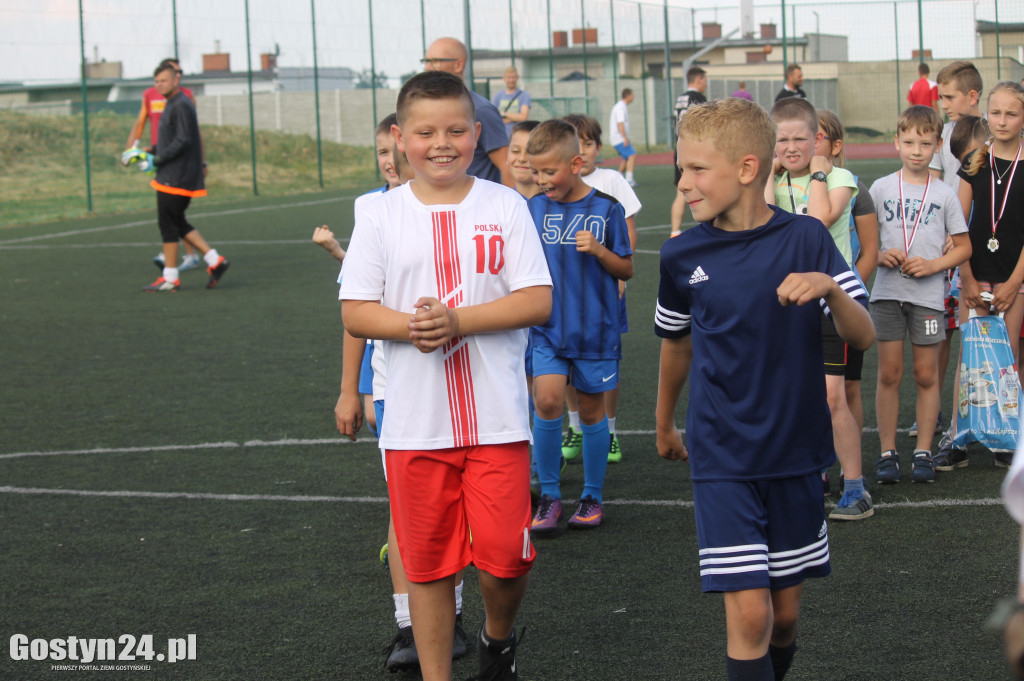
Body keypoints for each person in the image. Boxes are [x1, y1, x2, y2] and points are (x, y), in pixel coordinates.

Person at [339, 70, 552, 681]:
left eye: (456, 130)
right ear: (401, 139)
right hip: (414, 425)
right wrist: (414, 327)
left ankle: (497, 639)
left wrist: (456, 320)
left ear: (476, 133)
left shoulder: (505, 204)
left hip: (497, 419)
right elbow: (355, 309)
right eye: (425, 131)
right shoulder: (379, 215)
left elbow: (537, 300)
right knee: (429, 566)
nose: (442, 142)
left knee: (506, 561)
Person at [656, 97, 874, 681]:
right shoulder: (682, 254)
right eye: (683, 168)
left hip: (797, 452)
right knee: (750, 617)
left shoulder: (806, 238)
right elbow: (675, 344)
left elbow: (865, 333)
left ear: (748, 169)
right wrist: (663, 422)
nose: (685, 183)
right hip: (722, 451)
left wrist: (830, 288)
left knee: (782, 616)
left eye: (698, 169)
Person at [526, 119, 633, 532]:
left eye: (549, 172)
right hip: (549, 327)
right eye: (535, 172)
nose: (541, 180)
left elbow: (627, 267)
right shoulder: (533, 207)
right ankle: (550, 496)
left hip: (595, 329)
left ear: (576, 163)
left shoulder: (607, 208)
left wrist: (601, 251)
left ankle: (591, 496)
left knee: (590, 411)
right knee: (548, 401)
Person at [767, 97, 869, 518]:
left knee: (834, 395)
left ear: (818, 140)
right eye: (782, 140)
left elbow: (818, 219)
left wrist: (820, 173)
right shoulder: (771, 181)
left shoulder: (839, 174)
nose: (791, 147)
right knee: (800, 393)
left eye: (801, 139)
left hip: (834, 296)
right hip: (790, 298)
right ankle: (817, 470)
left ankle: (856, 487)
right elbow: (763, 218)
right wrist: (768, 179)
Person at [870, 105, 971, 485]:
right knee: (889, 373)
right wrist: (880, 256)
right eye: (909, 141)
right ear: (896, 142)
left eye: (925, 143)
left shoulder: (944, 194)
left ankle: (924, 450)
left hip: (928, 295)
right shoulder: (880, 188)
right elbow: (863, 245)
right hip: (887, 293)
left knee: (927, 374)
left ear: (937, 146)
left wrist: (933, 265)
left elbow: (963, 248)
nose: (916, 150)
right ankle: (886, 453)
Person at [560, 113, 640, 464]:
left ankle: (609, 430)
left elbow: (628, 233)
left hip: (603, 293)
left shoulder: (612, 181)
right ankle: (576, 425)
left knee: (606, 361)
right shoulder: (557, 186)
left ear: (598, 147)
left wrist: (620, 277)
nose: (583, 151)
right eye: (575, 144)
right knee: (564, 361)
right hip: (565, 295)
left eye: (588, 143)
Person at [953, 80, 1024, 470]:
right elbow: (957, 225)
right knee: (969, 358)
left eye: (1011, 113)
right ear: (986, 115)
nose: (1002, 120)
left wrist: (1013, 285)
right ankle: (959, 435)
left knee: (1006, 358)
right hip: (974, 275)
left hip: (1016, 277)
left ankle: (1005, 437)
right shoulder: (975, 162)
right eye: (995, 113)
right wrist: (965, 278)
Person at [816, 109, 879, 499]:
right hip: (797, 305)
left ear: (835, 146)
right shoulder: (780, 182)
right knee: (813, 391)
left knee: (847, 390)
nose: (803, 144)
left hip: (839, 303)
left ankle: (850, 473)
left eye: (816, 136)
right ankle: (820, 466)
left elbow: (870, 251)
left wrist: (848, 295)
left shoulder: (852, 186)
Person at [124, 61, 228, 292]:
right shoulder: (173, 103)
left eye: (164, 80)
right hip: (174, 173)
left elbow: (183, 140)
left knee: (168, 223)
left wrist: (158, 160)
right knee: (176, 221)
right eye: (157, 81)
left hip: (177, 175)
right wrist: (145, 152)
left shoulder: (180, 104)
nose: (159, 85)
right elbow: (171, 140)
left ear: (175, 80)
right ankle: (214, 261)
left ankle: (171, 277)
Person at [931, 62, 985, 468]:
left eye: (948, 97)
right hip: (954, 252)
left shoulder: (997, 139)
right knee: (949, 337)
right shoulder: (946, 135)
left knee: (1001, 343)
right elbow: (937, 184)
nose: (942, 104)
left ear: (972, 97)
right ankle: (945, 422)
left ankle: (1003, 428)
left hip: (996, 255)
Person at [124, 57, 203, 272]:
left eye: (177, 72)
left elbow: (191, 134)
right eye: (169, 72)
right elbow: (141, 122)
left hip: (177, 160)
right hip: (161, 157)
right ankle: (199, 257)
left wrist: (201, 160)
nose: (175, 76)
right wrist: (131, 149)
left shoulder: (184, 98)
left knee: (171, 214)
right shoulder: (151, 95)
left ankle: (186, 261)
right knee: (171, 213)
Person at [422, 37, 513, 188]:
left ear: (459, 65)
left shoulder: (481, 111)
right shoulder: (428, 109)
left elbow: (507, 167)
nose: (428, 67)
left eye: (436, 61)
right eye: (426, 61)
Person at [671, 67, 709, 238]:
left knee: (681, 192)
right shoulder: (699, 99)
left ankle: (675, 231)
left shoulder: (680, 98)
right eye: (705, 80)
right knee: (705, 189)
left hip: (679, 148)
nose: (706, 84)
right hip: (695, 150)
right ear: (699, 79)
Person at [609, 88, 638, 187]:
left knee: (626, 157)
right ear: (628, 96)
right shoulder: (620, 107)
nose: (633, 97)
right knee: (632, 155)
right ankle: (629, 179)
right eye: (632, 95)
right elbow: (620, 123)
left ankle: (618, 178)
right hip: (618, 138)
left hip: (618, 138)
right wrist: (624, 138)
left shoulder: (621, 106)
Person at [493, 66, 531, 137]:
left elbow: (523, 117)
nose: (511, 80)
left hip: (518, 135)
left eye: (513, 77)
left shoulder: (524, 95)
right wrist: (515, 118)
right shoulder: (497, 96)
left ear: (517, 78)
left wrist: (503, 114)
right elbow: (494, 118)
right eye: (509, 77)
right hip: (501, 136)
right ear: (504, 78)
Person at [507, 120, 541, 199]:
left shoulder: (561, 207)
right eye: (515, 151)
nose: (522, 158)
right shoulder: (499, 204)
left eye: (530, 152)